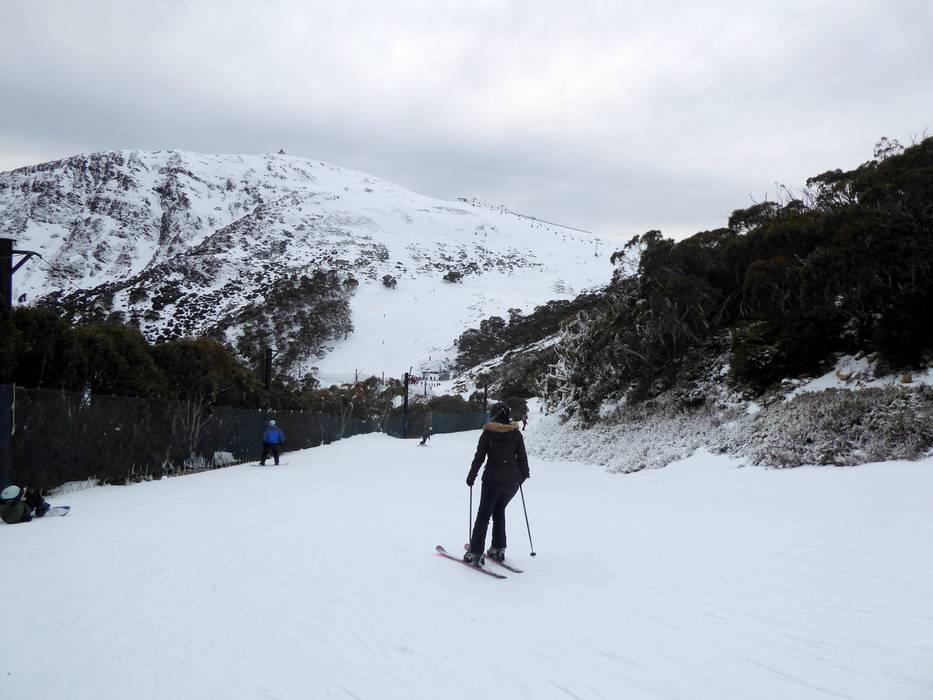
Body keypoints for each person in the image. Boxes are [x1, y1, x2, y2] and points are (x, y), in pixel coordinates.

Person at [464, 401, 529, 565]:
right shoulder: (516, 434)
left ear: (493, 415)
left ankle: (475, 552)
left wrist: (471, 476)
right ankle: (498, 549)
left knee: (484, 514)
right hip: (512, 482)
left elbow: (479, 458)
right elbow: (523, 459)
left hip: (492, 480)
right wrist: (521, 477)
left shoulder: (488, 434)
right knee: (499, 510)